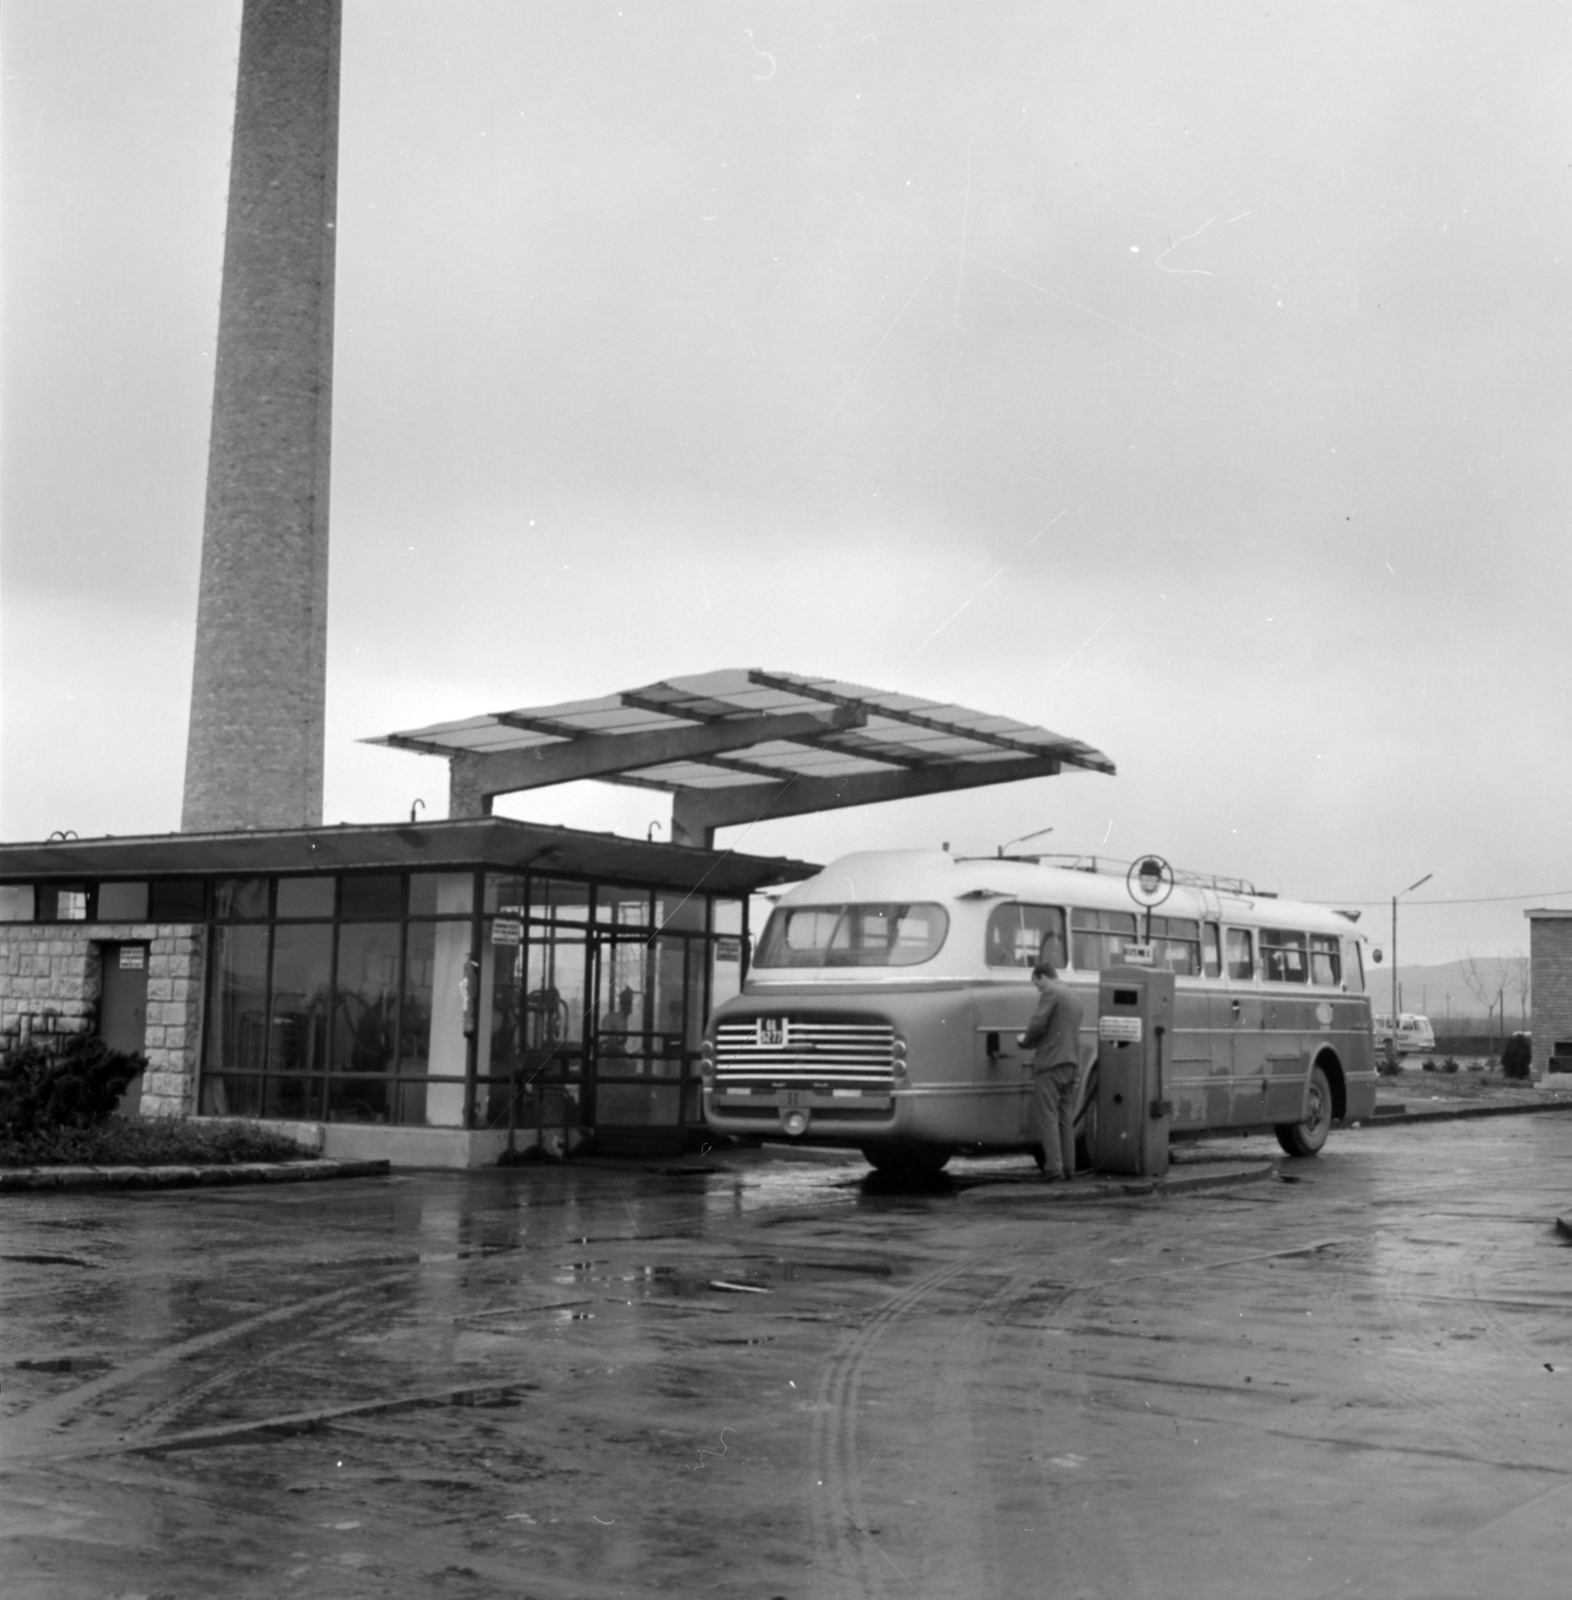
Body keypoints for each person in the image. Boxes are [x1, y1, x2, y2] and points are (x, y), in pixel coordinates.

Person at [1018, 962, 1084, 1182]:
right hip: (1071, 1063)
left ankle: (1054, 1170)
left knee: (1047, 1118)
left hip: (1051, 1064)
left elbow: (1038, 1022)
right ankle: (1069, 1168)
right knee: (1065, 1118)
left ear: (1042, 977)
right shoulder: (1073, 994)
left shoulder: (1051, 991)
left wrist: (1025, 1041)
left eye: (1036, 982)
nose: (1037, 987)